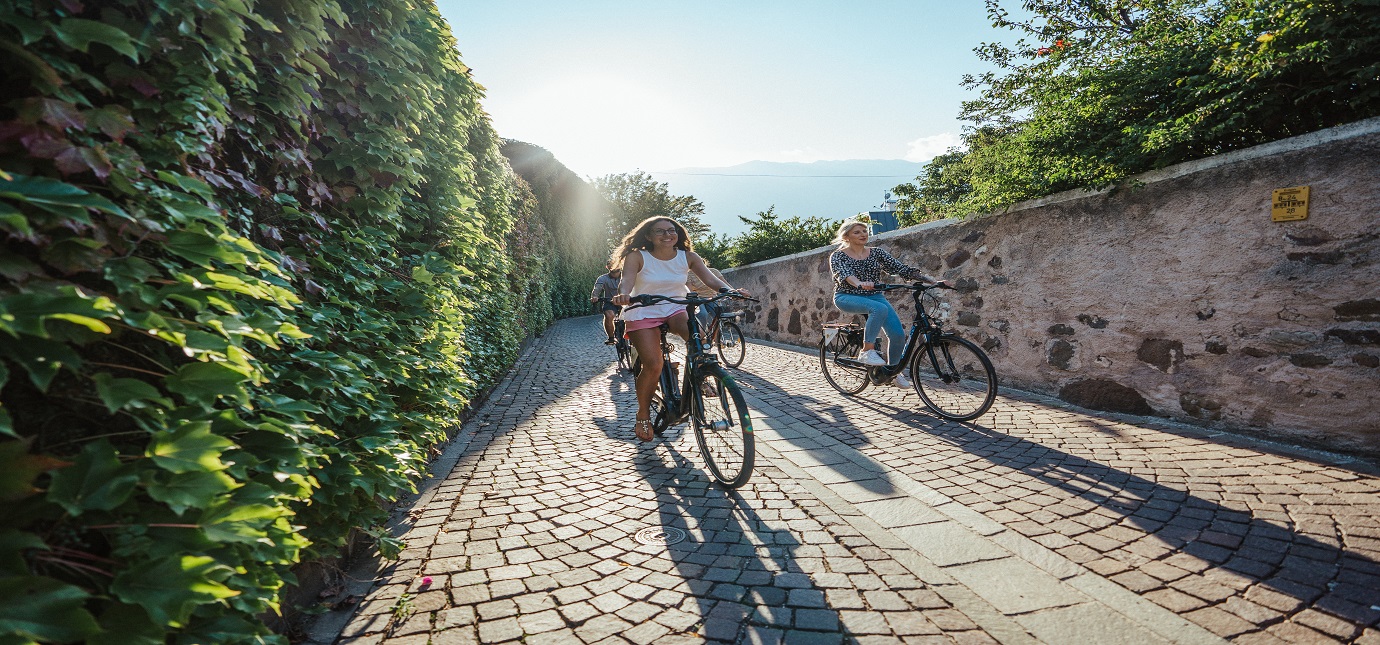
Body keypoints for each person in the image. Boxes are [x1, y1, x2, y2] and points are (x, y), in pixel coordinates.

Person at [611, 217, 748, 441]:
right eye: (660, 231)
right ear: (648, 236)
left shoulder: (688, 257)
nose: (667, 235)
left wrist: (732, 290)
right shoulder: (637, 256)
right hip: (642, 309)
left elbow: (712, 280)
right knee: (653, 364)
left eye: (671, 230)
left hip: (676, 307)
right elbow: (626, 280)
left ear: (678, 234)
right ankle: (643, 414)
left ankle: (699, 376)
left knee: (699, 341)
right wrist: (624, 294)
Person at [829, 219, 943, 389]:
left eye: (864, 230)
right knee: (879, 308)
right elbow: (844, 275)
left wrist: (933, 280)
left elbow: (901, 268)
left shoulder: (876, 253)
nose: (863, 234)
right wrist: (859, 283)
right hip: (847, 296)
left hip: (875, 296)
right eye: (857, 232)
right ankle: (867, 351)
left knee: (897, 335)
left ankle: (893, 371)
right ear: (846, 236)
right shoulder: (838, 256)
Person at [686, 264, 727, 342]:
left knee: (718, 314)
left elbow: (725, 284)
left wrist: (734, 291)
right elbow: (690, 290)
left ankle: (716, 337)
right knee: (702, 314)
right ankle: (702, 337)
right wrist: (693, 299)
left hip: (712, 297)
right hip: (698, 299)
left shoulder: (714, 271)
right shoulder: (689, 274)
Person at [589, 263, 623, 344]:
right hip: (609, 302)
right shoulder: (603, 278)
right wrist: (595, 296)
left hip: (625, 301)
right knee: (609, 315)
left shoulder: (626, 276)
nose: (615, 272)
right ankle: (611, 337)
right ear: (608, 268)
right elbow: (597, 288)